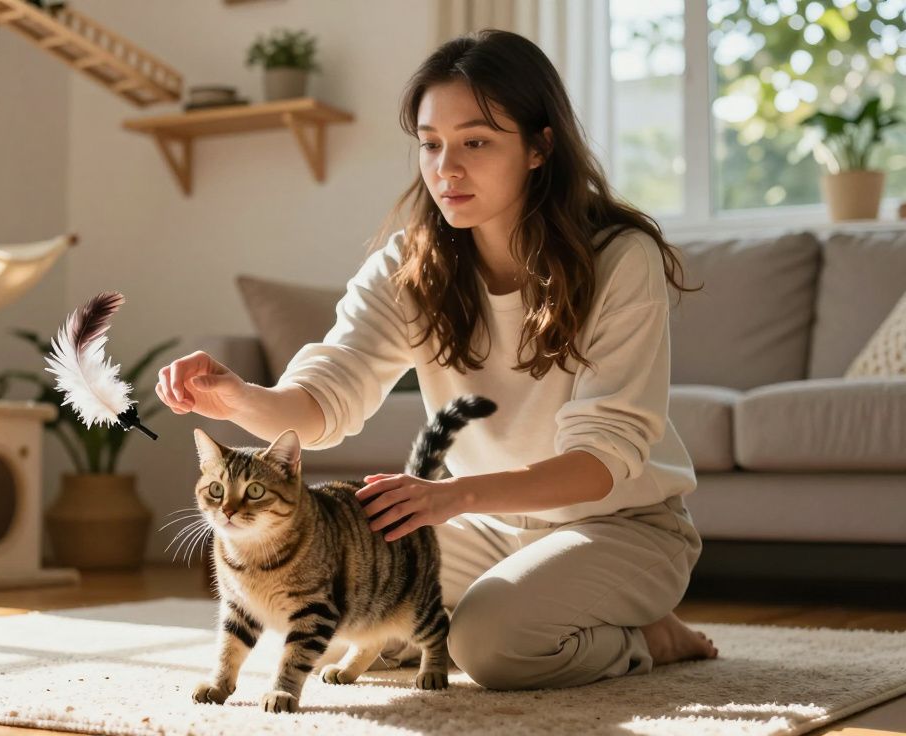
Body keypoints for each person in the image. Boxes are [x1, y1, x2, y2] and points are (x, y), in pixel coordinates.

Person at [155, 30, 718, 691]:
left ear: (539, 146)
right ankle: (487, 617)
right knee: (342, 595)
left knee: (492, 644)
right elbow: (326, 398)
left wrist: (452, 495)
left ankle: (647, 636)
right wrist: (239, 398)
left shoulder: (619, 258)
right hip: (482, 525)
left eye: (476, 142)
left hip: (624, 527)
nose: (446, 167)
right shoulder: (409, 265)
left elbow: (601, 463)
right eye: (430, 143)